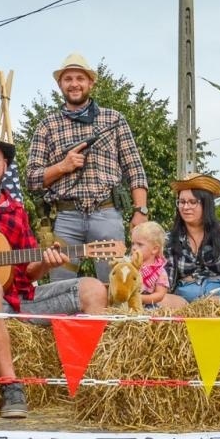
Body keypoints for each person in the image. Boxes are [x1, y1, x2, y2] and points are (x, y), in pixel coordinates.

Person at [0, 126, 108, 419]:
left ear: (4, 165)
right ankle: (11, 386)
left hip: (12, 300)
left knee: (93, 288)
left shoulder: (15, 209)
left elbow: (26, 275)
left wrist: (45, 263)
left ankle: (89, 387)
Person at [24, 52, 149, 282]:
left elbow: (135, 169)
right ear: (60, 84)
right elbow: (31, 178)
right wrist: (62, 166)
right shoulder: (47, 126)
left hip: (107, 212)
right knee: (61, 287)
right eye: (68, 79)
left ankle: (113, 319)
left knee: (115, 283)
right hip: (65, 216)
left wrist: (140, 212)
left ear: (90, 82)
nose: (74, 84)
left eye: (80, 78)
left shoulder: (114, 119)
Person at [158, 174, 220, 309]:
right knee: (159, 301)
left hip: (219, 297)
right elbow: (166, 279)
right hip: (183, 300)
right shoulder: (170, 238)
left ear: (206, 203)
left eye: (193, 202)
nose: (186, 207)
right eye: (181, 202)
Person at [130, 220, 171, 308]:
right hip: (128, 306)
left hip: (148, 308)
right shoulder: (129, 265)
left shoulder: (160, 271)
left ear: (154, 249)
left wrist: (140, 298)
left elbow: (160, 295)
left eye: (140, 245)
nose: (134, 248)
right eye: (133, 244)